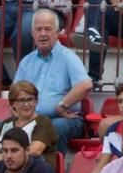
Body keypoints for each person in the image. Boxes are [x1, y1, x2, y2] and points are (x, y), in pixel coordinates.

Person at [12, 9, 92, 155]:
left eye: (48, 29)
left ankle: (50, 172)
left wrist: (62, 105)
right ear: (32, 34)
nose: (43, 34)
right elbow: (14, 95)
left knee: (52, 127)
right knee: (3, 127)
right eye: (39, 29)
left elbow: (86, 85)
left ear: (57, 33)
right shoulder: (26, 62)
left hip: (63, 119)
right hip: (31, 117)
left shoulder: (68, 57)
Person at [0, 81, 58, 173]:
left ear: (36, 101)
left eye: (30, 99)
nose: (26, 104)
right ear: (12, 104)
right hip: (4, 172)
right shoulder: (7, 123)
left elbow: (35, 150)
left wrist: (0, 157)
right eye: (21, 100)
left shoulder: (43, 122)